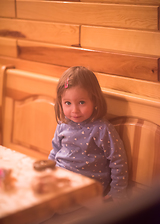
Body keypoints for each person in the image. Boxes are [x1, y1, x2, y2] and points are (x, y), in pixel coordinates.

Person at [49, 66, 128, 202]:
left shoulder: (102, 129)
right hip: (60, 180)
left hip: (86, 189)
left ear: (95, 100)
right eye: (68, 103)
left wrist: (117, 193)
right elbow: (55, 151)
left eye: (81, 102)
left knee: (50, 206)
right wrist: (47, 172)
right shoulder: (63, 124)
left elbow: (118, 162)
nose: (75, 110)